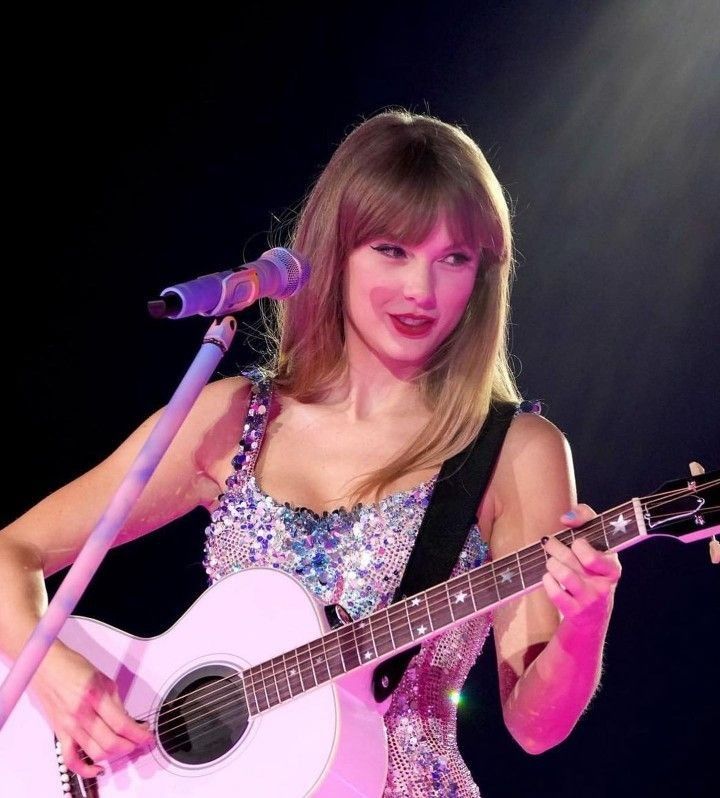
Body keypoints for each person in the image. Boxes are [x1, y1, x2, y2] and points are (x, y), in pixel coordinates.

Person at [0, 108, 621, 796]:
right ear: (333, 251)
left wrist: (585, 620)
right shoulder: (234, 417)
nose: (421, 289)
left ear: (484, 276)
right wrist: (55, 675)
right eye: (393, 250)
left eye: (453, 259)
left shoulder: (512, 451)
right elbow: (9, 552)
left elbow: (536, 727)